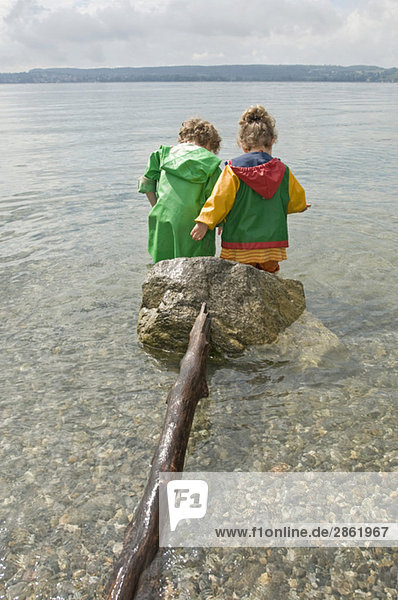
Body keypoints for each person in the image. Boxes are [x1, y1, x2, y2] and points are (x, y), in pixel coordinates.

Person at [190, 105, 310, 273]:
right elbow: (295, 200)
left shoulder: (232, 169)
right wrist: (301, 206)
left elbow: (220, 200)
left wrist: (204, 222)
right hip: (272, 244)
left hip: (239, 244)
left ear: (242, 144)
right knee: (269, 280)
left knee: (235, 280)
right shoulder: (283, 170)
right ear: (272, 141)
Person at [138, 118, 222, 263]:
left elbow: (146, 182)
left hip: (162, 219)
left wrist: (156, 206)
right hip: (194, 224)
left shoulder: (162, 155)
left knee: (162, 266)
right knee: (196, 268)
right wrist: (219, 223)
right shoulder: (210, 164)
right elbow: (218, 198)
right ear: (209, 144)